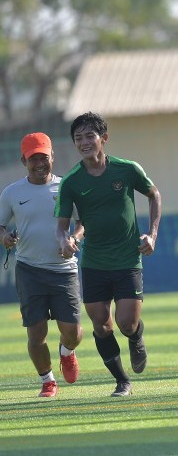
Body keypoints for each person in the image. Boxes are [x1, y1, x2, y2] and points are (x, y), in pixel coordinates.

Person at [55, 112, 161, 397]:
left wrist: (152, 234)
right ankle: (122, 381)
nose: (84, 142)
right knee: (101, 325)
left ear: (104, 138)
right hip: (94, 264)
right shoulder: (72, 182)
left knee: (126, 323)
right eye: (78, 138)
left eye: (90, 136)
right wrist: (65, 242)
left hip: (128, 259)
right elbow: (62, 227)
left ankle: (136, 337)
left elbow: (154, 194)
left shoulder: (127, 169)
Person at [0, 133, 84, 398]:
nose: (39, 163)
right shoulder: (12, 192)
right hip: (29, 270)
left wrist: (73, 237)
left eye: (43, 157)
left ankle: (67, 352)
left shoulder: (66, 186)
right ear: (23, 159)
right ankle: (48, 380)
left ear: (52, 157)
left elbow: (83, 222)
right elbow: (1, 225)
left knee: (72, 332)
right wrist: (5, 237)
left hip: (64, 269)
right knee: (36, 334)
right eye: (33, 158)